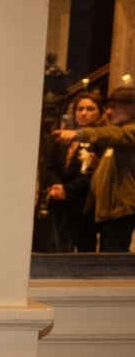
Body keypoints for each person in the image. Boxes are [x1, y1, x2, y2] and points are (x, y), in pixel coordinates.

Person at [55, 85, 135, 252]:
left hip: (121, 210)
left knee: (113, 262)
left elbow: (114, 134)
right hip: (109, 209)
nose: (109, 112)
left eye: (115, 107)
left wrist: (80, 133)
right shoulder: (118, 129)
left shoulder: (128, 132)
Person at [44, 91, 102, 252]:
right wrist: (55, 184)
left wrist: (66, 189)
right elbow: (51, 166)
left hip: (84, 204)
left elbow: (91, 173)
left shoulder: (100, 139)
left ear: (99, 112)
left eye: (90, 109)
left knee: (84, 250)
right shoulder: (65, 137)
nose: (84, 113)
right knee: (58, 248)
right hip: (60, 202)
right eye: (80, 109)